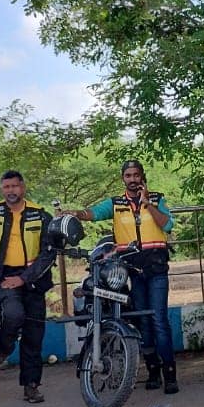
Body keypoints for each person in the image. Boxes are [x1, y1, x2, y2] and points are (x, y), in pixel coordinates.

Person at [73, 160, 179, 393]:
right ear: (123, 178)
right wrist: (76, 214)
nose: (132, 179)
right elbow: (94, 213)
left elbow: (168, 225)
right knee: (143, 321)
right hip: (132, 270)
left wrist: (148, 204)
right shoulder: (116, 203)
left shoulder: (158, 199)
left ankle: (169, 374)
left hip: (157, 268)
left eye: (136, 175)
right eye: (128, 175)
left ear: (142, 177)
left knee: (159, 321)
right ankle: (152, 371)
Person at [0, 170, 56, 403]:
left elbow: (48, 255)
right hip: (3, 276)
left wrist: (24, 278)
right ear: (1, 189)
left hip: (33, 279)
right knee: (14, 314)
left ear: (23, 188)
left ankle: (31, 385)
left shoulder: (40, 215)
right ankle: (4, 347)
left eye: (15, 186)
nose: (11, 191)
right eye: (6, 187)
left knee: (34, 335)